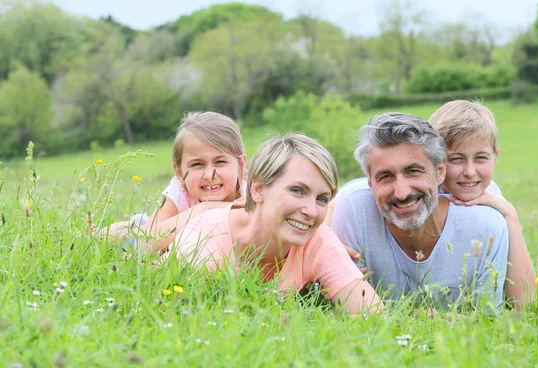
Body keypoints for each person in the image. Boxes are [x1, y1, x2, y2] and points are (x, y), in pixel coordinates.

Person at [168, 133, 382, 314]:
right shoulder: (206, 240)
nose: (311, 211)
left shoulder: (318, 240)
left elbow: (373, 316)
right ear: (258, 189)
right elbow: (194, 323)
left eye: (322, 199)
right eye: (297, 191)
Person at [330, 112, 509, 309]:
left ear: (440, 171)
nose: (401, 193)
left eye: (413, 171)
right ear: (370, 183)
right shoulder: (353, 210)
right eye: (386, 176)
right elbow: (352, 312)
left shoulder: (487, 226)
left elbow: (487, 321)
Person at [428, 99, 536, 308]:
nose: (470, 171)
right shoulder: (422, 200)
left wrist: (510, 216)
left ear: (495, 157)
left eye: (480, 158)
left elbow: (524, 302)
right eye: (456, 159)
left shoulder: (491, 195)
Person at [102, 111, 246, 253]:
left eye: (220, 162)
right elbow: (140, 245)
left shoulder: (253, 193)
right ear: (179, 172)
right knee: (119, 233)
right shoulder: (180, 192)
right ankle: (90, 235)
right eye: (197, 164)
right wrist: (201, 210)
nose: (209, 175)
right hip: (165, 225)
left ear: (240, 165)